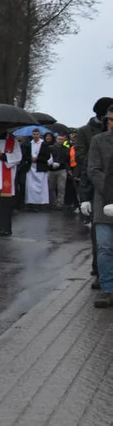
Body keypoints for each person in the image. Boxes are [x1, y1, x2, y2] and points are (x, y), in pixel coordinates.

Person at [87, 105, 113, 307]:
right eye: (110, 120)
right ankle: (108, 288)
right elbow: (94, 170)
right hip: (104, 202)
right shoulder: (99, 141)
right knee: (104, 247)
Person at [20, 128, 51, 210]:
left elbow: (47, 156)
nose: (35, 136)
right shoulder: (29, 144)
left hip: (40, 167)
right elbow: (25, 155)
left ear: (39, 135)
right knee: (30, 187)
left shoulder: (44, 144)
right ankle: (31, 203)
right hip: (31, 168)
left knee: (41, 187)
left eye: (37, 134)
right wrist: (31, 159)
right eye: (34, 134)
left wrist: (38, 159)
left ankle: (41, 203)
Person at [46, 132, 69, 210]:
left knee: (61, 187)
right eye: (59, 139)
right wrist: (51, 163)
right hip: (51, 169)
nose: (60, 140)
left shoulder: (66, 149)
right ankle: (52, 202)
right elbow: (47, 157)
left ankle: (60, 203)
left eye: (62, 139)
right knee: (50, 187)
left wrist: (60, 163)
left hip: (61, 169)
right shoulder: (50, 147)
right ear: (56, 139)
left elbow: (67, 159)